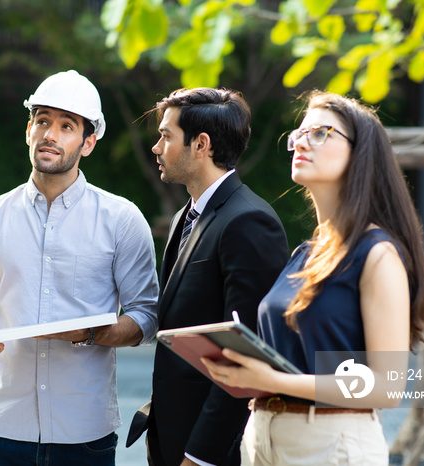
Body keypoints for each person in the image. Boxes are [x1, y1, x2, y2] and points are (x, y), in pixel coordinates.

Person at [201, 91, 424, 465]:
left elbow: (387, 387)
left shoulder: (377, 254)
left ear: (361, 154)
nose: (301, 142)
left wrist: (273, 382)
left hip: (331, 443)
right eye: (299, 133)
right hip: (264, 436)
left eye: (321, 132)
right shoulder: (304, 254)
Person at [0, 70, 159, 466]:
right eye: (43, 121)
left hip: (84, 432)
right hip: (2, 429)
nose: (50, 134)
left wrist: (91, 333)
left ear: (89, 142)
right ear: (29, 130)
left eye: (66, 126)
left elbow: (147, 317)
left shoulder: (122, 219)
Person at [128, 87, 289, 466]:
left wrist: (199, 457)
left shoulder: (249, 221)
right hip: (170, 436)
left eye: (166, 136)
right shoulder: (189, 214)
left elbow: (245, 357)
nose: (156, 147)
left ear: (201, 145)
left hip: (209, 452)